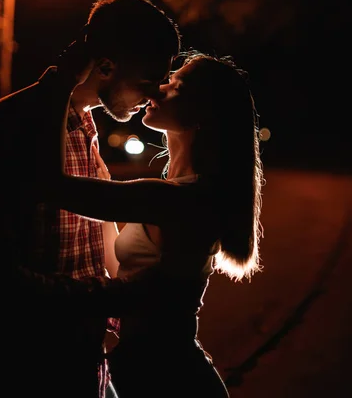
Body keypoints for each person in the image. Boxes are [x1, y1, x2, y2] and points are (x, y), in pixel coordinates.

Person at [0, 0, 181, 398]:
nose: (152, 96)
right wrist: (123, 296)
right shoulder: (5, 129)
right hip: (24, 368)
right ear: (106, 66)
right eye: (147, 81)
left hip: (79, 358)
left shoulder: (85, 125)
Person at [32, 49, 264, 397]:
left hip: (169, 377)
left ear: (201, 114)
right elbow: (119, 263)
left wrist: (60, 83)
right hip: (146, 368)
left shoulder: (182, 198)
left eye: (174, 85)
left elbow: (54, 187)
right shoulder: (179, 192)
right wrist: (103, 178)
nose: (156, 89)